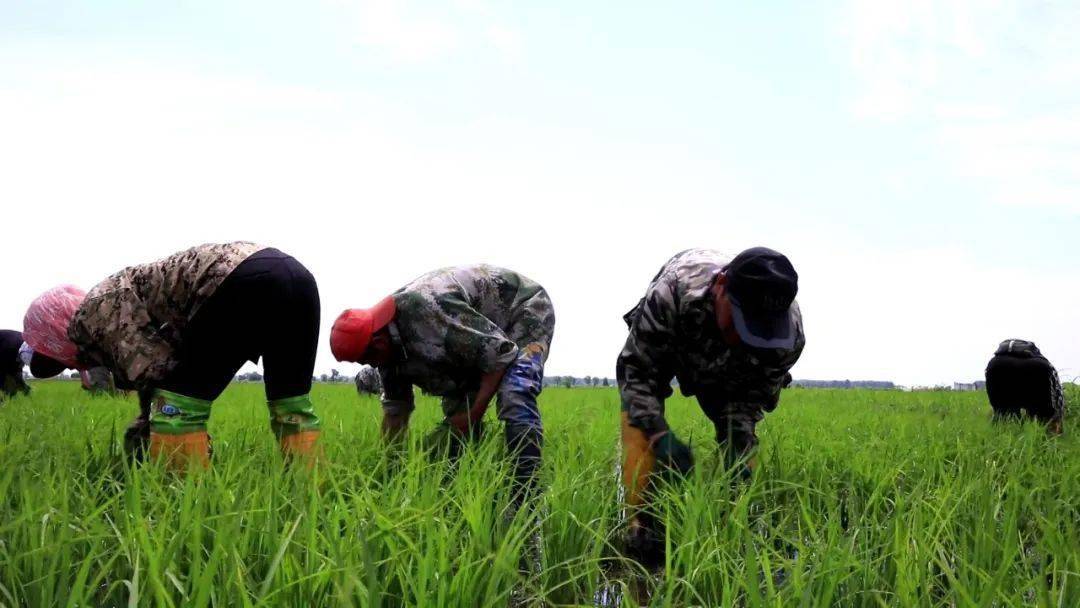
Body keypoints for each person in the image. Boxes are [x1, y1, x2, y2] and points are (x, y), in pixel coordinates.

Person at [22, 242, 322, 469]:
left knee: (178, 406)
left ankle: (186, 500)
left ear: (57, 328)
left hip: (242, 281)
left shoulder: (95, 310)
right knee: (291, 403)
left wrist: (145, 432)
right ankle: (310, 494)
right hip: (297, 280)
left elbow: (155, 372)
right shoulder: (115, 297)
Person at [617, 247, 805, 562]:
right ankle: (641, 528)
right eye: (744, 322)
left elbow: (750, 401)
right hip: (681, 333)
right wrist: (659, 436)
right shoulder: (672, 293)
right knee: (640, 426)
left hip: (733, 370)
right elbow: (638, 375)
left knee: (739, 452)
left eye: (761, 330)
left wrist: (739, 447)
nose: (748, 337)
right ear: (720, 286)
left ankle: (727, 531)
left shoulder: (788, 338)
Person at [330, 264, 555, 504]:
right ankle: (463, 487)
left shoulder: (426, 310)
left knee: (515, 391)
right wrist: (389, 474)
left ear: (377, 340)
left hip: (521, 308)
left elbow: (501, 354)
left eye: (367, 358)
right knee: (455, 415)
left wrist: (474, 413)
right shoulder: (387, 353)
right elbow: (396, 412)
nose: (372, 365)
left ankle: (526, 493)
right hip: (478, 335)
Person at [985, 339, 1065, 435]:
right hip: (1037, 368)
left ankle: (1002, 438)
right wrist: (1057, 416)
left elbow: (994, 397)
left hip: (996, 366)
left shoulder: (995, 361)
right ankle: (1049, 441)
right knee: (1045, 416)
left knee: (1003, 413)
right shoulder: (1042, 362)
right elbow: (1057, 395)